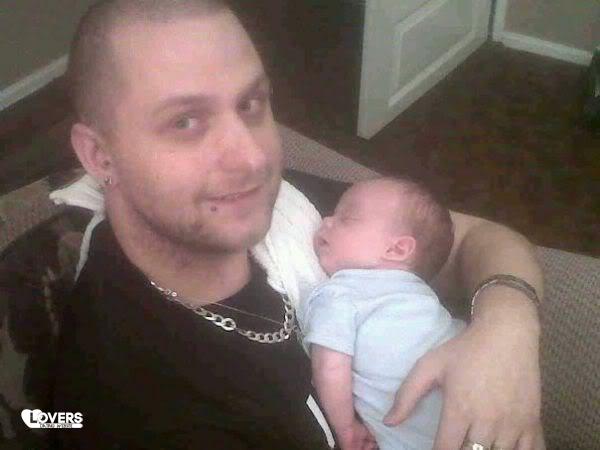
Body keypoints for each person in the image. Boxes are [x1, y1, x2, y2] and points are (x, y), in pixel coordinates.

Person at [52, 1, 545, 449]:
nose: (252, 159)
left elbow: (480, 237)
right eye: (185, 122)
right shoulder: (132, 394)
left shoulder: (294, 212)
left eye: (250, 104)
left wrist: (506, 333)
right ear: (100, 156)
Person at [304, 177, 465, 450]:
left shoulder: (341, 291)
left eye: (347, 218)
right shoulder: (425, 300)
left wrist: (346, 428)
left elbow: (329, 366)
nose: (327, 220)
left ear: (396, 249)